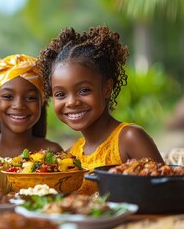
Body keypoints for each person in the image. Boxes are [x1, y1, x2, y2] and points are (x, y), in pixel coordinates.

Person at [37, 25, 164, 194]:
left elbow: (166, 191)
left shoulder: (129, 138)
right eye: (60, 94)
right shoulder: (70, 155)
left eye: (84, 90)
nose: (72, 102)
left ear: (106, 88)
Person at [0, 54, 63, 158]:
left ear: (42, 103)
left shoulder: (52, 153)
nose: (19, 105)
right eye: (8, 96)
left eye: (30, 98)